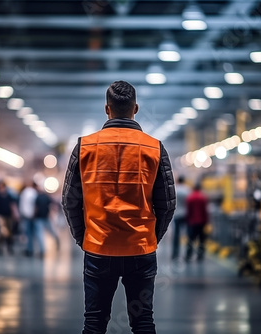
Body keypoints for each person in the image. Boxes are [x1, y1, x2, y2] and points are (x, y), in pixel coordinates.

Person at [62, 80, 176, 334]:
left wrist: (84, 238)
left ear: (107, 109)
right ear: (135, 108)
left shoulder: (85, 146)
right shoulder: (154, 148)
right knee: (143, 321)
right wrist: (151, 238)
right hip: (141, 249)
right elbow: (167, 204)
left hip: (98, 248)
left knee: (94, 323)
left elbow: (69, 200)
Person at [0, 181, 18, 255]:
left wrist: (15, 214)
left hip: (8, 216)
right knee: (2, 231)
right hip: (0, 216)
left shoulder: (9, 195)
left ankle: (9, 246)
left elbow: (12, 205)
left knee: (9, 232)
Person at [34, 183, 60, 258]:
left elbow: (36, 208)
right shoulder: (47, 197)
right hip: (46, 217)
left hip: (39, 217)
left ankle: (42, 251)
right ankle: (57, 240)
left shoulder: (37, 197)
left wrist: (34, 215)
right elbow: (53, 205)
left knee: (40, 234)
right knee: (51, 231)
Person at [185, 183, 209, 262]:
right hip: (201, 221)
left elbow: (188, 210)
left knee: (191, 239)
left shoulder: (190, 197)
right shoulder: (203, 197)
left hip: (192, 221)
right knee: (201, 240)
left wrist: (188, 219)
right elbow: (205, 211)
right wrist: (206, 220)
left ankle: (188, 255)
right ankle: (200, 255)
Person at [171, 175, 190, 260]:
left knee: (176, 235)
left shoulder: (175, 189)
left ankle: (175, 254)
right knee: (188, 234)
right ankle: (187, 254)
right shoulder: (187, 190)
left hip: (177, 214)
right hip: (186, 214)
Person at [19, 181, 38, 257]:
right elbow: (35, 204)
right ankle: (34, 249)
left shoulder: (24, 192)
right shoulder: (33, 192)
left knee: (28, 233)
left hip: (26, 215)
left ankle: (29, 249)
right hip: (32, 216)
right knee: (34, 233)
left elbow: (21, 204)